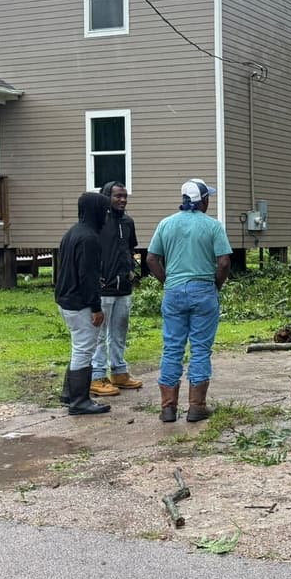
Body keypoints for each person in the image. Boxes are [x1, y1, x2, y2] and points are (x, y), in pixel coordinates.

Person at [145, 178, 232, 423]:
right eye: (208, 198)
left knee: (172, 347)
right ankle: (196, 406)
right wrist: (216, 285)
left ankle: (168, 407)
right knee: (200, 349)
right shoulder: (213, 226)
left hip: (174, 291)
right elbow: (224, 261)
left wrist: (167, 282)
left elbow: (152, 258)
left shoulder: (166, 224)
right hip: (203, 290)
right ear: (203, 200)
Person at [55, 191, 112, 415]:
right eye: (104, 212)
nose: (106, 217)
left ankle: (69, 393)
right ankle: (80, 401)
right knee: (84, 350)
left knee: (78, 347)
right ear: (96, 211)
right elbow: (88, 277)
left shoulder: (72, 233)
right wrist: (96, 307)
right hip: (80, 303)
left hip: (66, 298)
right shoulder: (89, 238)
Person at [90, 180, 143, 397]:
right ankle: (96, 376)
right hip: (103, 288)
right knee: (99, 335)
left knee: (120, 332)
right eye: (117, 196)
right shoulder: (99, 222)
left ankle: (119, 372)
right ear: (106, 197)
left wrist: (131, 270)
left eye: (124, 196)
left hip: (124, 287)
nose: (122, 200)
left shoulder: (128, 222)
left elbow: (130, 249)